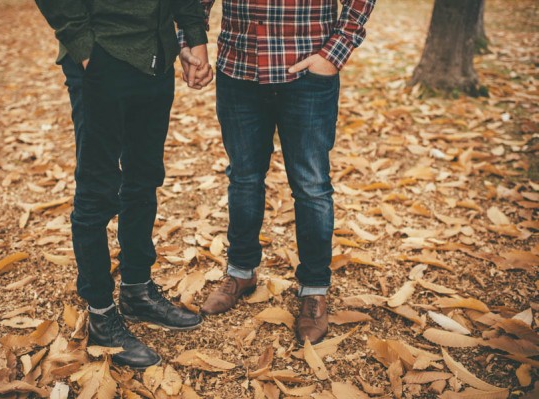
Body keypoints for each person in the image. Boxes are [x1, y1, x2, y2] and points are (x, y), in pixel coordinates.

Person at [34, 0, 213, 368]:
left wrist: (193, 37)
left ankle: (137, 289)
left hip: (157, 59)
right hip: (103, 56)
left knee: (144, 178)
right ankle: (101, 312)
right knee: (96, 190)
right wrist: (83, 48)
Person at [188, 0, 376, 345]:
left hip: (307, 71)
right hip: (238, 69)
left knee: (312, 186)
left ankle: (314, 290)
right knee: (243, 177)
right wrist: (191, 41)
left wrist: (334, 53)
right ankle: (241, 273)